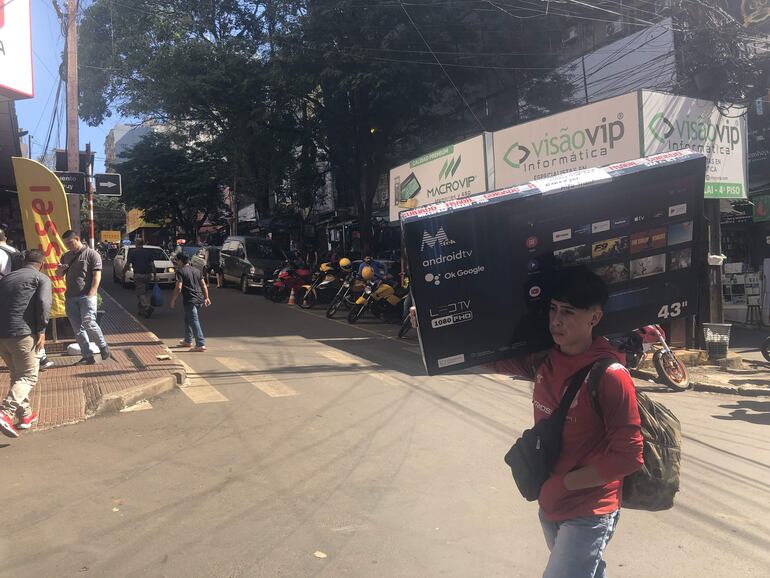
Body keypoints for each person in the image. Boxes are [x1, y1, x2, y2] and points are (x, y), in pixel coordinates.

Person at [410, 267, 644, 577]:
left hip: (590, 508)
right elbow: (484, 356)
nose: (556, 320)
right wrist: (429, 327)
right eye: (553, 309)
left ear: (594, 318)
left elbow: (628, 457)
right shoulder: (543, 360)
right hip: (550, 504)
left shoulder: (610, 376)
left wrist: (562, 486)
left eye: (569, 312)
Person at [0, 250, 51, 438]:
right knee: (29, 376)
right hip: (23, 334)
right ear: (42, 264)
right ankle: (5, 412)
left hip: (2, 335)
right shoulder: (40, 278)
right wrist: (42, 331)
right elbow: (44, 304)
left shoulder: (7, 278)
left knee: (17, 375)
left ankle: (26, 416)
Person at [57, 230, 110, 365]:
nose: (68, 245)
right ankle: (87, 356)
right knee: (77, 329)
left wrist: (91, 293)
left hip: (86, 296)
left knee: (89, 322)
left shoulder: (92, 254)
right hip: (70, 297)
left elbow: (97, 276)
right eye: (66, 244)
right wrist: (60, 270)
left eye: (70, 242)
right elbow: (58, 275)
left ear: (77, 238)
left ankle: (103, 346)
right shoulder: (66, 256)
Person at [169, 252, 210, 352]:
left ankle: (200, 344)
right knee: (188, 319)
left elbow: (178, 287)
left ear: (180, 261)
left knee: (194, 320)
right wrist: (206, 297)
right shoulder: (197, 270)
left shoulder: (180, 271)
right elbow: (204, 285)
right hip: (199, 299)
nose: (176, 263)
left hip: (190, 300)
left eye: (177, 261)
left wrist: (173, 300)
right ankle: (188, 340)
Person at [126, 237, 156, 318]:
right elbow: (152, 265)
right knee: (142, 292)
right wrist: (155, 274)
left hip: (138, 275)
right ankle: (141, 310)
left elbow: (127, 264)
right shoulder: (148, 253)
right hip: (148, 275)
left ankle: (147, 307)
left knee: (141, 293)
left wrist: (123, 273)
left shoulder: (133, 253)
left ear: (136, 243)